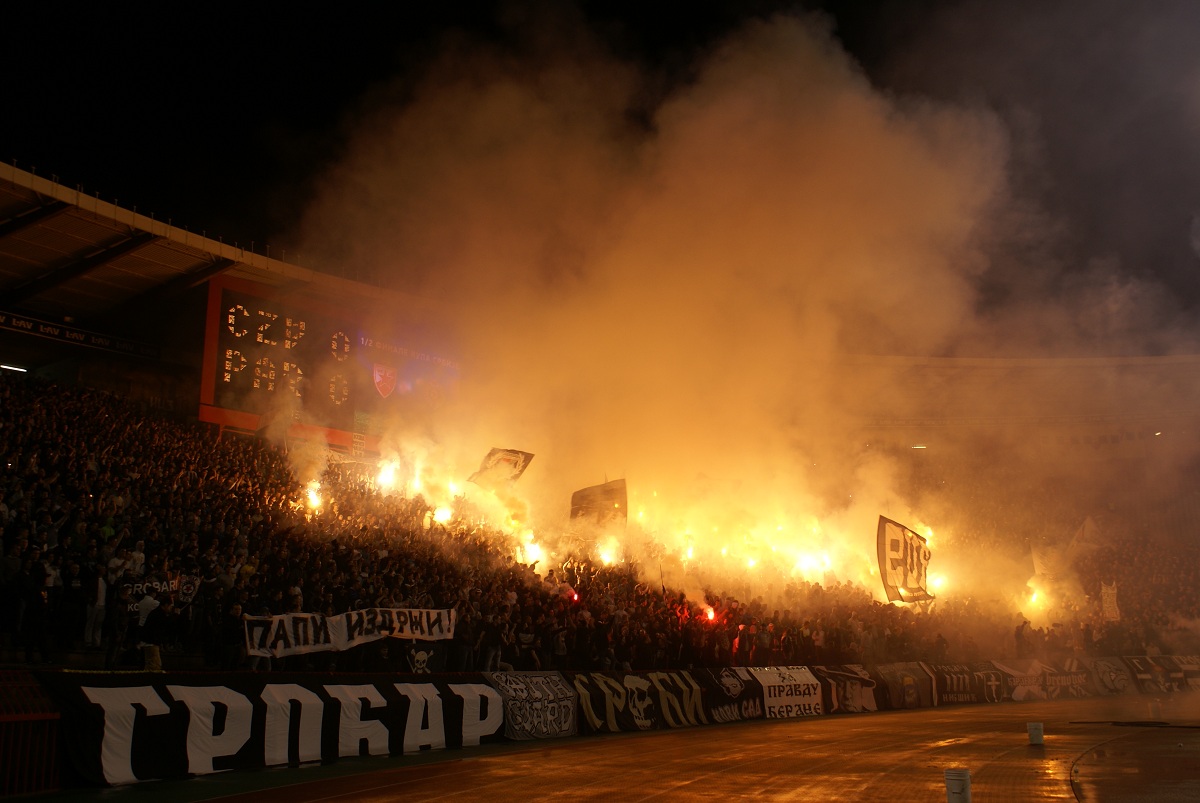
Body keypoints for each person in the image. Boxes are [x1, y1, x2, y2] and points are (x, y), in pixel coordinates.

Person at [141, 596, 174, 672]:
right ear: (166, 605)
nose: (170, 609)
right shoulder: (159, 614)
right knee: (155, 665)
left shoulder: (156, 613)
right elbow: (165, 625)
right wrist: (174, 616)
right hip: (152, 642)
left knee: (150, 664)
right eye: (170, 606)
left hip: (149, 642)